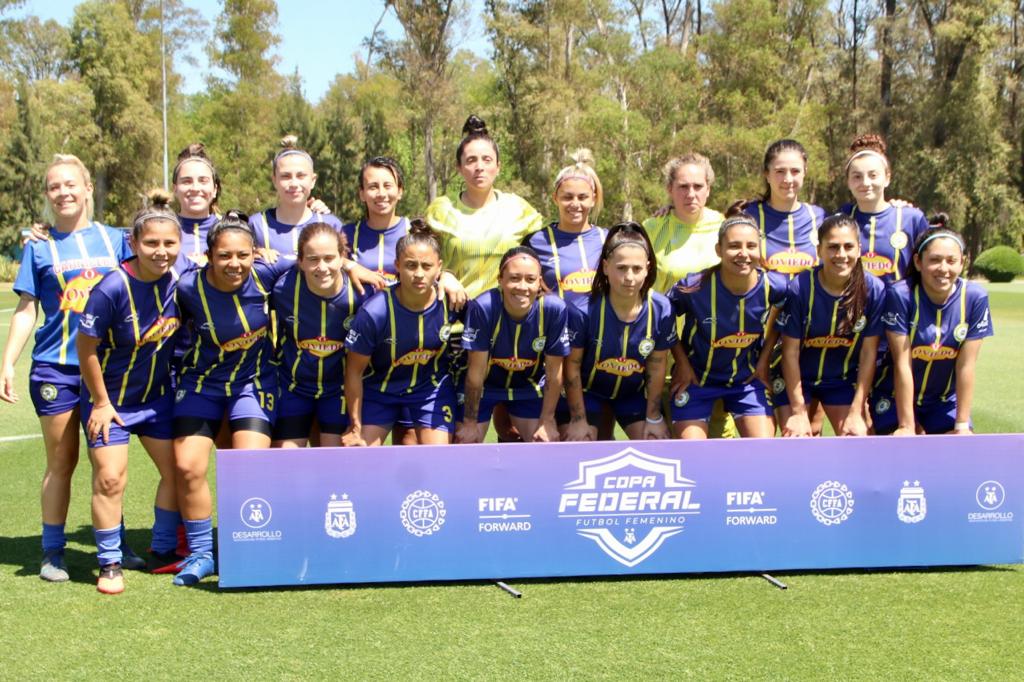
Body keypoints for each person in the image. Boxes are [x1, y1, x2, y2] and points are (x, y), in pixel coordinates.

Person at [0, 154, 132, 582]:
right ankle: (52, 551)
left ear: (88, 188)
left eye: (71, 184)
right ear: (47, 195)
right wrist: (7, 363)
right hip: (55, 369)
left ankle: (115, 543)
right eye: (55, 186)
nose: (64, 192)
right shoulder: (38, 247)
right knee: (62, 461)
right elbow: (25, 309)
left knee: (108, 463)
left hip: (108, 371)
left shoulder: (116, 241)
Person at [172, 212, 291, 585]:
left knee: (249, 467)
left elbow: (318, 258)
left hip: (253, 384)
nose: (234, 264)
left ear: (255, 253)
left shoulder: (267, 274)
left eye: (242, 255)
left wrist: (357, 269)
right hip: (200, 385)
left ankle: (246, 547)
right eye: (225, 255)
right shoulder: (187, 288)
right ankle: (202, 552)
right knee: (189, 467)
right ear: (209, 255)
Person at [77, 191, 184, 593]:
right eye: (151, 243)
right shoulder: (111, 288)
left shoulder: (180, 279)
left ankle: (160, 549)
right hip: (111, 402)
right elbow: (85, 348)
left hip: (157, 401)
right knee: (109, 478)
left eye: (169, 243)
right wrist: (102, 403)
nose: (161, 251)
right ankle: (109, 563)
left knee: (177, 471)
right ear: (134, 244)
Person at [667, 212, 786, 439]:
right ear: (719, 250)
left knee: (764, 450)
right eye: (734, 246)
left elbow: (784, 313)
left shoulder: (775, 286)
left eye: (751, 245)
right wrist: (681, 362)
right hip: (696, 379)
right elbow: (662, 317)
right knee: (692, 454)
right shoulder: (694, 287)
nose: (743, 253)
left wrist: (764, 360)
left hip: (747, 381)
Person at [343, 220, 460, 447]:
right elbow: (354, 371)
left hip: (430, 391)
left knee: (437, 459)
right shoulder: (374, 312)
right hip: (379, 391)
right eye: (410, 265)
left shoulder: (452, 302)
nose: (418, 274)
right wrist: (355, 426)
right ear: (397, 265)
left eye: (426, 266)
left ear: (439, 268)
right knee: (359, 455)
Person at [562, 222, 676, 441]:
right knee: (581, 442)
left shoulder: (661, 308)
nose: (630, 277)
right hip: (589, 394)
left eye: (637, 269)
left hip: (631, 396)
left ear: (648, 268)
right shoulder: (582, 309)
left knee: (655, 441)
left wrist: (653, 416)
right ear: (605, 267)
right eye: (621, 268)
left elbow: (657, 363)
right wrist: (578, 419)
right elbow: (573, 366)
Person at [775, 215, 886, 437]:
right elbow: (790, 352)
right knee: (798, 439)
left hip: (842, 381)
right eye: (833, 247)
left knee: (858, 438)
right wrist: (798, 412)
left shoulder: (873, 289)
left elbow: (868, 353)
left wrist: (856, 411)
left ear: (859, 249)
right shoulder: (800, 287)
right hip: (799, 379)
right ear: (819, 250)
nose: (841, 255)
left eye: (848, 246)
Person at [881, 220, 992, 434]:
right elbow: (902, 364)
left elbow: (966, 366)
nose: (944, 268)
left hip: (943, 400)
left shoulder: (975, 298)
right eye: (935, 260)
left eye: (952, 261)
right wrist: (906, 425)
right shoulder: (901, 295)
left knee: (957, 449)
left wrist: (961, 425)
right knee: (900, 451)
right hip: (893, 396)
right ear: (918, 262)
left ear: (963, 263)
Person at [455, 246, 569, 444]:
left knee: (545, 443)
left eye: (530, 279)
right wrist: (470, 422)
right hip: (485, 387)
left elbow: (554, 372)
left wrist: (547, 421)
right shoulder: (484, 307)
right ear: (500, 280)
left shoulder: (554, 309)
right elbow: (476, 373)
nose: (523, 287)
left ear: (539, 281)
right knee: (466, 444)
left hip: (526, 387)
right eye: (514, 278)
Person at [425, 115, 544, 306]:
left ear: (498, 167)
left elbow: (554, 244)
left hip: (507, 320)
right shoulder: (441, 209)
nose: (479, 167)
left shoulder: (518, 208)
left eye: (487, 160)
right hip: (455, 318)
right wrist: (442, 275)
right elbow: (417, 258)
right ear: (459, 167)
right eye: (471, 160)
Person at [271, 223, 368, 448]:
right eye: (313, 259)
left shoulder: (361, 293)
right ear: (301, 261)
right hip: (292, 388)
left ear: (342, 258)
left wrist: (446, 278)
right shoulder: (282, 288)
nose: (322, 267)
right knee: (286, 462)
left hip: (338, 391)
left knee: (332, 463)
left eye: (329, 258)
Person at [840, 134, 930, 284]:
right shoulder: (841, 219)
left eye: (873, 175)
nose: (865, 183)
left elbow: (928, 266)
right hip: (851, 307)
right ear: (848, 181)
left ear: (887, 178)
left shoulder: (911, 219)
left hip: (900, 307)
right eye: (857, 177)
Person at [524, 149, 607, 311]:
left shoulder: (608, 239)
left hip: (602, 334)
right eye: (567, 197)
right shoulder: (536, 242)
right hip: (555, 333)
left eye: (582, 197)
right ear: (555, 198)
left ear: (593, 199)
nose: (575, 204)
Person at [741, 139, 825, 279]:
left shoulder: (819, 217)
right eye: (780, 171)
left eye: (795, 171)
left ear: (805, 172)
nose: (788, 179)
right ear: (767, 174)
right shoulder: (749, 216)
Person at [249, 135, 344, 258]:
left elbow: (343, 269)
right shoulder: (257, 225)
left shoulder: (331, 224)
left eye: (301, 176)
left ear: (313, 180)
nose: (294, 184)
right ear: (274, 180)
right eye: (285, 176)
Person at [342, 157, 409, 286]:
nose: (381, 193)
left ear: (400, 191)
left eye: (387, 186)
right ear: (362, 194)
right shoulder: (346, 235)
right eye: (373, 187)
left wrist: (447, 275)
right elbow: (321, 258)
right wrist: (349, 265)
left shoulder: (414, 232)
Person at [171, 142, 221, 273]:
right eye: (186, 181)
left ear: (215, 189)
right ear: (175, 189)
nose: (195, 188)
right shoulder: (160, 230)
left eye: (203, 181)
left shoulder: (232, 229)